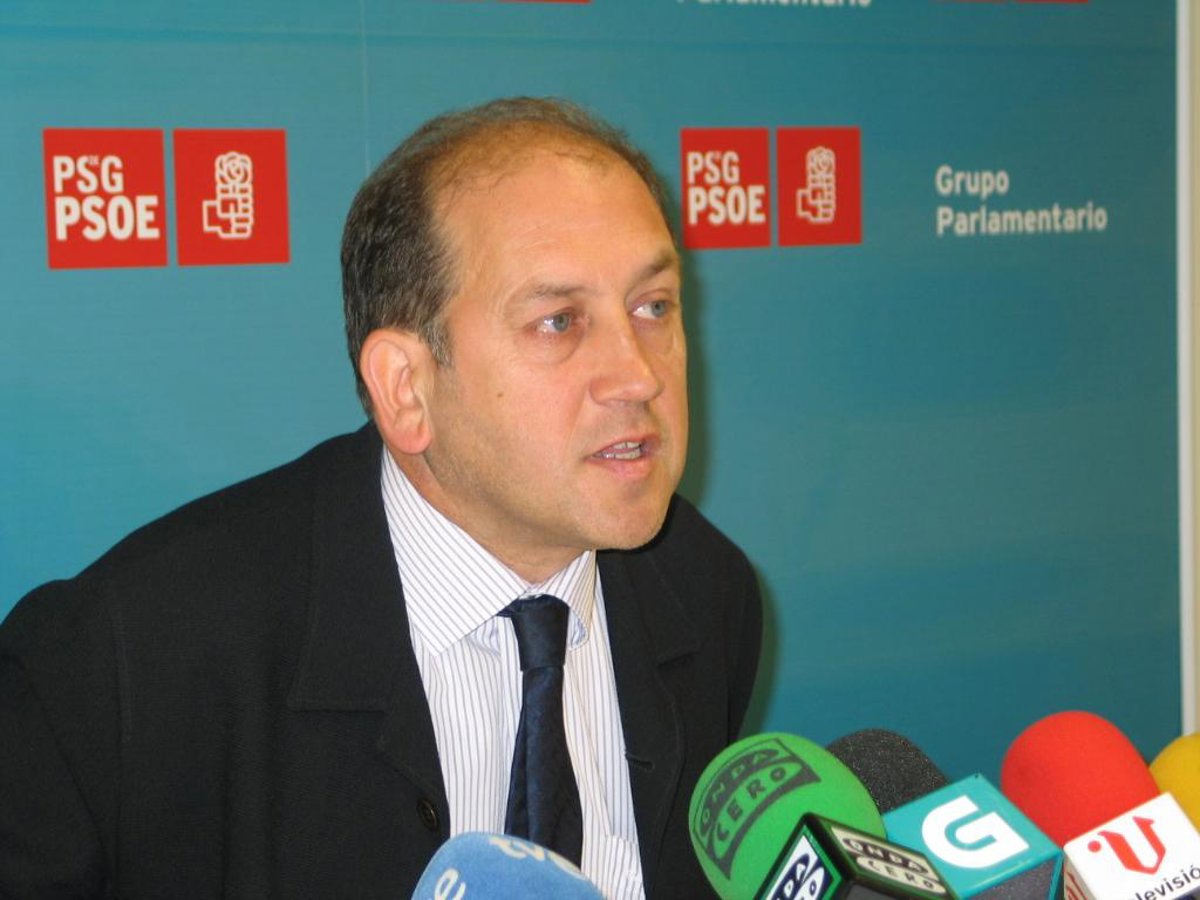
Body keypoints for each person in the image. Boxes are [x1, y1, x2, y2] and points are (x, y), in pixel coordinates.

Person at [0, 97, 762, 899]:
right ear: (405, 389)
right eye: (558, 322)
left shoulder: (705, 593)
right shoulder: (122, 666)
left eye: (653, 307)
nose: (639, 375)